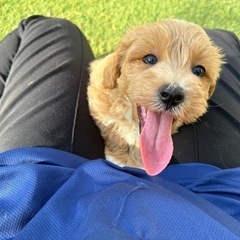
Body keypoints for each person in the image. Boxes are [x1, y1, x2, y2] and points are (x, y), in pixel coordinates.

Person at [0, 16, 239, 239]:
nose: (174, 87)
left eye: (198, 71)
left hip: (34, 197)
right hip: (219, 203)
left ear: (209, 87)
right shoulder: (104, 94)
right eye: (149, 59)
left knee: (51, 27)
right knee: (222, 37)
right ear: (118, 66)